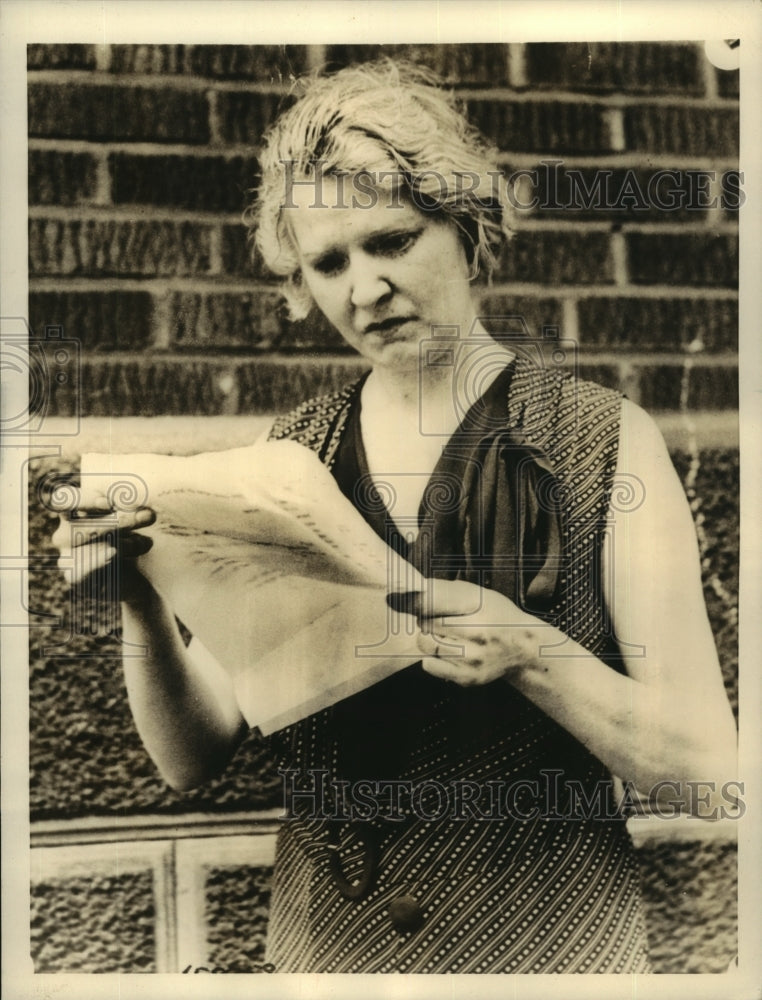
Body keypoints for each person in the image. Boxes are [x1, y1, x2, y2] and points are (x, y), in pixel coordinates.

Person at [53, 59, 737, 974]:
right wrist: (135, 600)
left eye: (392, 240)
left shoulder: (604, 443)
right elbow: (193, 757)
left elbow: (709, 772)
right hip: (328, 954)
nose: (362, 289)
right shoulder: (290, 459)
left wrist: (533, 654)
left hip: (549, 949)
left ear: (464, 225)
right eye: (328, 262)